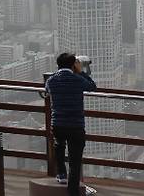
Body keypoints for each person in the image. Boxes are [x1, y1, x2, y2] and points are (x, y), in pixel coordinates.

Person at [45, 53, 97, 196]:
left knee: (59, 145)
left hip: (58, 125)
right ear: (74, 64)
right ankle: (73, 192)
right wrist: (80, 72)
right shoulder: (77, 79)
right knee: (75, 161)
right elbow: (92, 86)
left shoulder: (51, 80)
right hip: (75, 126)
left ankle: (61, 174)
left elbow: (47, 91)